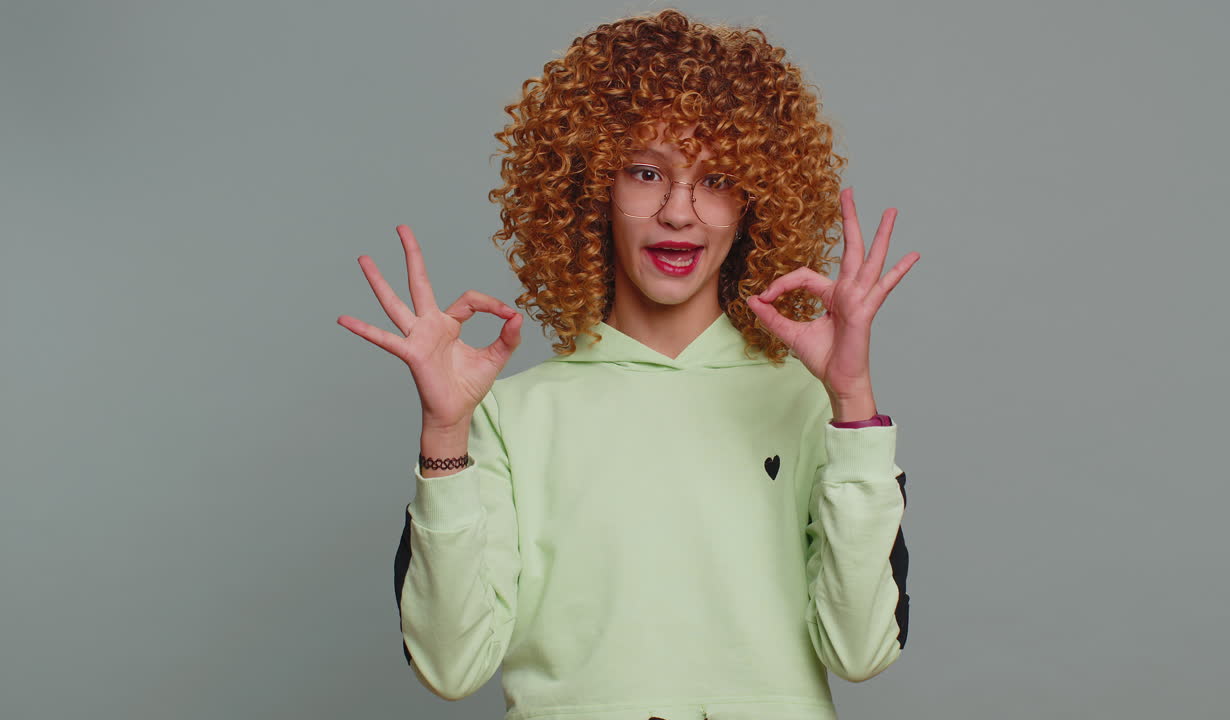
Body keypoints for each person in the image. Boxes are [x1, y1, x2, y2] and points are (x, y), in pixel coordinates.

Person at [337, 9, 920, 720]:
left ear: (751, 205)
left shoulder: (810, 404)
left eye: (716, 179)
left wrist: (853, 401)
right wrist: (443, 436)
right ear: (593, 188)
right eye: (647, 173)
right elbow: (451, 666)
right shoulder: (508, 415)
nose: (680, 211)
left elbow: (862, 652)